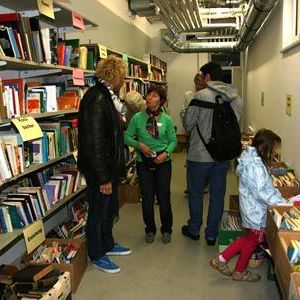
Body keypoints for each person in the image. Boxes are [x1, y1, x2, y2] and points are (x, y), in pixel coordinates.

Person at [77, 55, 131, 274]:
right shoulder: (97, 99)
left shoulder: (107, 96)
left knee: (109, 211)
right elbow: (94, 143)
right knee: (98, 213)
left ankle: (108, 244)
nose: (124, 79)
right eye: (123, 75)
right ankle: (97, 254)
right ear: (115, 75)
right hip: (101, 171)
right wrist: (103, 178)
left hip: (109, 168)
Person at [210, 129, 286, 281]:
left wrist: (278, 197)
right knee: (251, 240)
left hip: (251, 208)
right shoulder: (256, 167)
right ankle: (223, 262)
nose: (273, 154)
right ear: (263, 148)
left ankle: (235, 269)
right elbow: (261, 192)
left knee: (250, 240)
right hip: (255, 211)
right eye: (272, 150)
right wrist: (283, 203)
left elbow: (265, 187)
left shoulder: (251, 158)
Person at [182, 61, 243, 245]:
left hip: (199, 156)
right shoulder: (236, 98)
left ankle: (194, 229)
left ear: (207, 77)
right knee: (217, 194)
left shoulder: (200, 96)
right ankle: (211, 234)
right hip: (222, 156)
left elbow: (188, 125)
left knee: (196, 193)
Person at [124, 86, 177, 244]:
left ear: (160, 100)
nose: (149, 98)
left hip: (163, 163)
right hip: (143, 163)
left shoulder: (166, 119)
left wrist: (165, 154)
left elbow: (174, 141)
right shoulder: (137, 118)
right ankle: (150, 229)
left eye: (154, 96)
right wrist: (139, 145)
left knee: (163, 197)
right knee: (147, 198)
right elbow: (126, 136)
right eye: (148, 95)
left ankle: (166, 229)